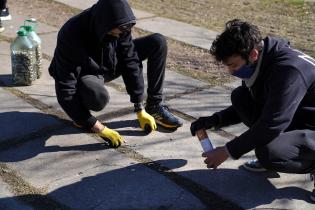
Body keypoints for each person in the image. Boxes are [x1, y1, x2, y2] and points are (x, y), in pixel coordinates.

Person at [190, 19, 315, 201]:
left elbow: (272, 123)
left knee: (269, 152)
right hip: (301, 116)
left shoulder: (288, 70)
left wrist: (227, 151)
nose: (231, 71)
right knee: (241, 97)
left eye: (233, 65)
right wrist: (214, 120)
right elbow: (259, 104)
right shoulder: (264, 60)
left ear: (253, 54)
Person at [49, 0, 183, 148]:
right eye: (115, 32)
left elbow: (129, 60)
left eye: (122, 32)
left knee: (157, 42)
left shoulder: (120, 23)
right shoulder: (71, 33)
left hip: (109, 63)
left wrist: (139, 107)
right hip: (87, 73)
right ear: (104, 24)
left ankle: (154, 106)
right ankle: (79, 116)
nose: (119, 35)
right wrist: (97, 126)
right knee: (97, 97)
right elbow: (65, 89)